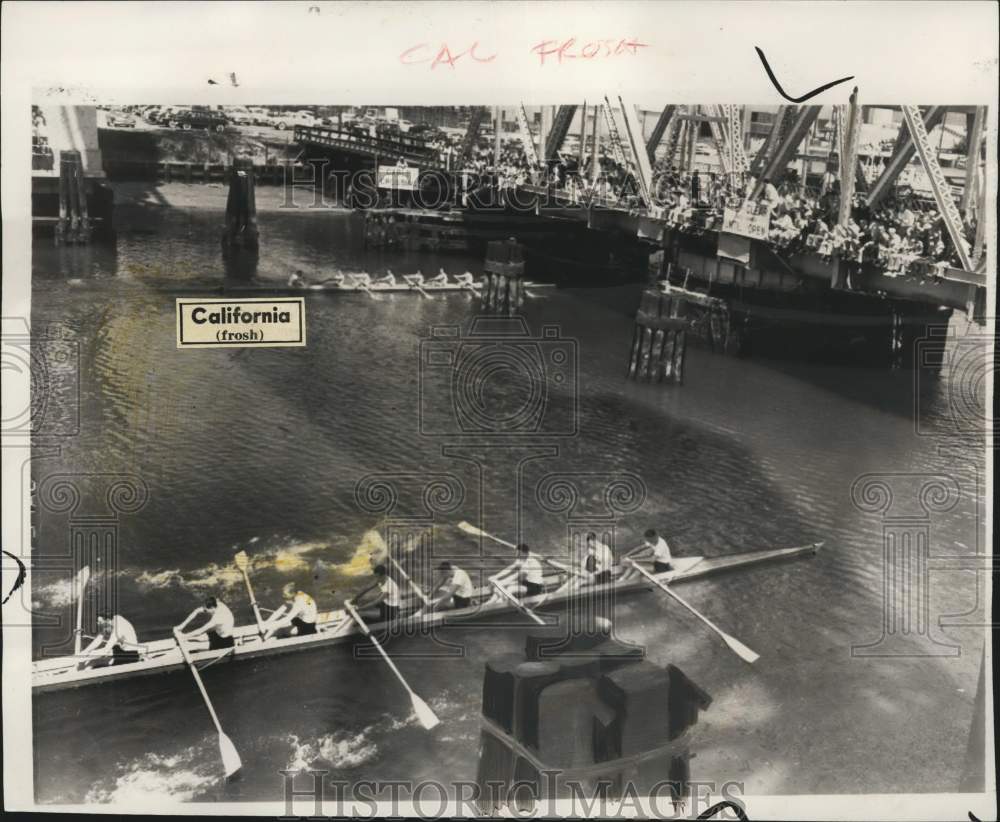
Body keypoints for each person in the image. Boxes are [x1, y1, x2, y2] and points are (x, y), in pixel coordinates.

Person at [78, 611, 142, 669]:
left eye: (100, 622)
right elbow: (99, 638)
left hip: (130, 656)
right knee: (91, 662)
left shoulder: (118, 628)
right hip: (121, 652)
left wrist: (87, 656)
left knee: (91, 663)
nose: (97, 623)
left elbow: (106, 650)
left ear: (107, 620)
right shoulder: (111, 621)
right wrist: (85, 651)